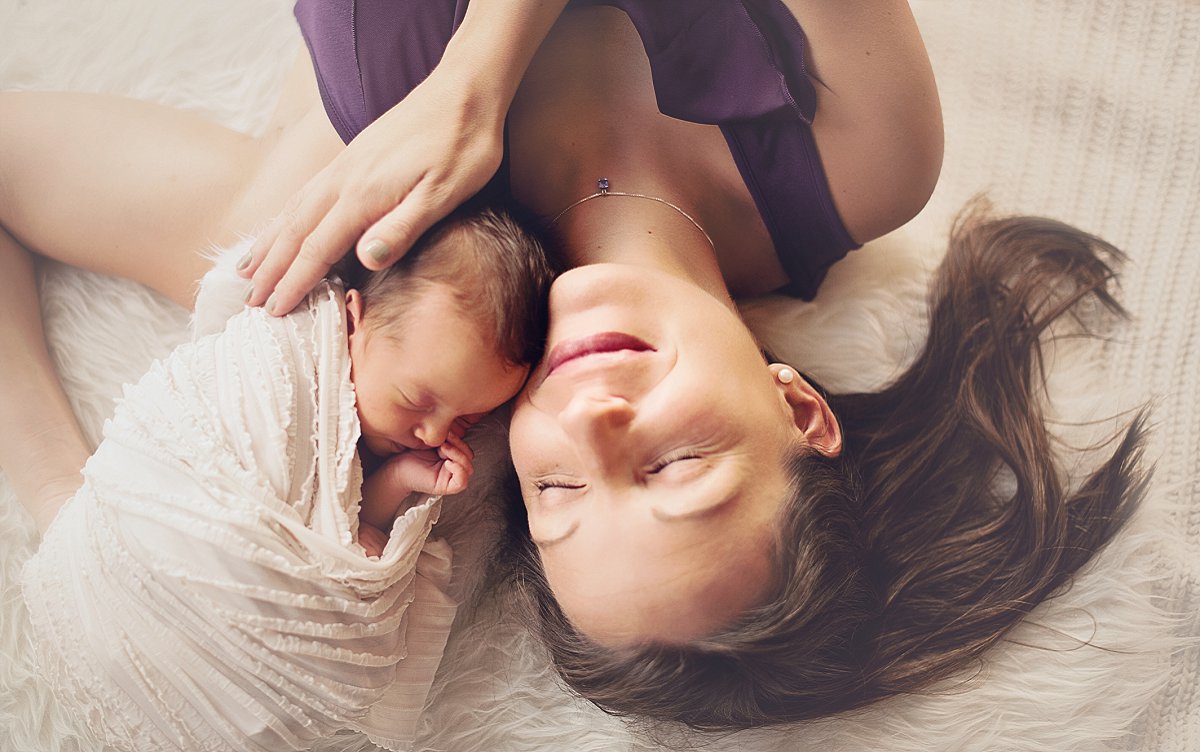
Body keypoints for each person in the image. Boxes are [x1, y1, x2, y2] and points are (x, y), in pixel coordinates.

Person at [0, 0, 1145, 738]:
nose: (593, 421)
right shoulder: (870, 157)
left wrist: (62, 498)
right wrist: (475, 78)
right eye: (677, 464)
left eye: (558, 490)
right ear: (800, 407)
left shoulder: (351, 252)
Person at [17, 204, 555, 751]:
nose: (433, 432)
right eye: (416, 399)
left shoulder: (401, 434)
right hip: (154, 554)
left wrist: (400, 480)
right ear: (353, 321)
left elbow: (349, 533)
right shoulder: (285, 359)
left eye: (467, 421)